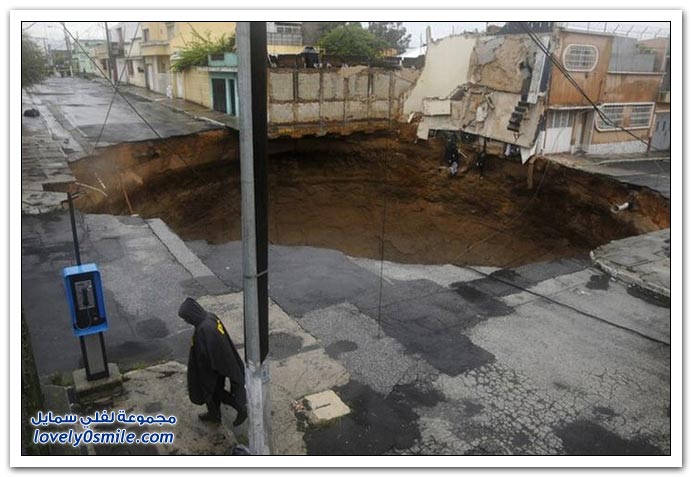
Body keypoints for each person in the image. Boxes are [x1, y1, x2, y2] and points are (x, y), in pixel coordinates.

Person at [178, 297, 247, 426]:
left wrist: (202, 372)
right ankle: (214, 415)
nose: (186, 321)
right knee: (214, 392)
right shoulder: (210, 317)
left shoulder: (204, 329)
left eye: (186, 318)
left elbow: (205, 355)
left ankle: (240, 409)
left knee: (214, 392)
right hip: (220, 363)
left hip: (213, 368)